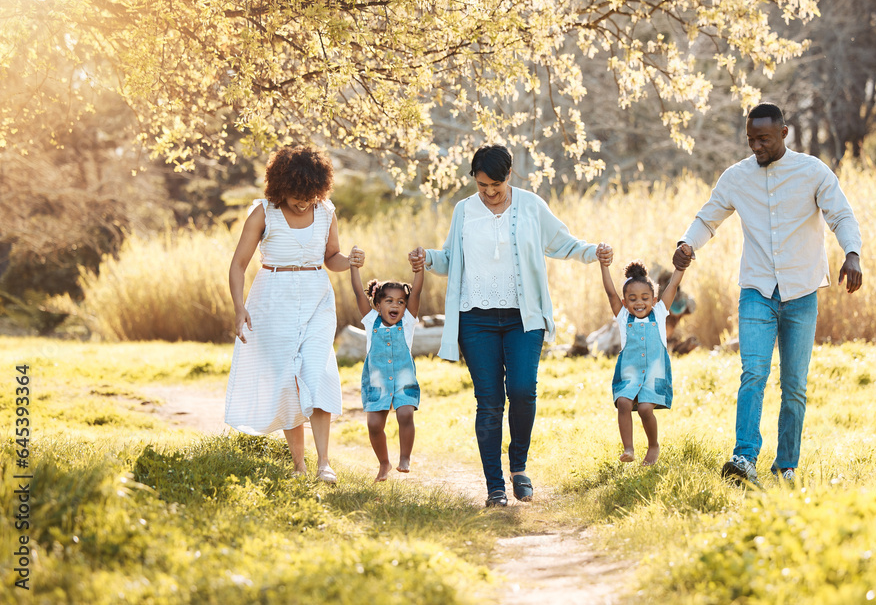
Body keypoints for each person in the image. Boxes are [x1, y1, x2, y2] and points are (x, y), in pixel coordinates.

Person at [409, 144, 612, 507]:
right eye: (482, 185)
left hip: (524, 317)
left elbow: (562, 243)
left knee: (521, 390)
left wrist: (594, 251)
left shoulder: (531, 206)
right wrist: (427, 258)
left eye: (495, 187)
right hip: (476, 319)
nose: (488, 193)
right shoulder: (464, 211)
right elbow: (451, 259)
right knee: (489, 402)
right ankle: (495, 487)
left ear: (509, 177)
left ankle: (519, 466)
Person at [673, 102, 863, 486]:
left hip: (802, 292)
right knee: (753, 374)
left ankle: (786, 465)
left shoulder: (812, 172)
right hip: (757, 289)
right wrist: (687, 243)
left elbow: (841, 215)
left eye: (763, 139)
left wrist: (852, 254)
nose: (756, 147)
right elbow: (707, 218)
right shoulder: (736, 177)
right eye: (750, 140)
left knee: (794, 384)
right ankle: (743, 460)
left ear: (783, 133)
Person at [225, 145, 349, 484]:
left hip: (316, 301)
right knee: (287, 381)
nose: (303, 203)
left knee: (317, 372)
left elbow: (332, 257)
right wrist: (240, 308)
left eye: (310, 196)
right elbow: (237, 266)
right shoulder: (263, 213)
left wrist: (349, 261)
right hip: (272, 300)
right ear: (280, 187)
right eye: (296, 196)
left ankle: (324, 463)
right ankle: (299, 465)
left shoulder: (325, 212)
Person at [599, 252, 687, 466]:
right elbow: (610, 293)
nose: (639, 303)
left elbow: (672, 287)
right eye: (633, 299)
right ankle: (628, 448)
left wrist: (681, 268)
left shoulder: (659, 313)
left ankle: (653, 445)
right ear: (625, 302)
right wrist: (604, 266)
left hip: (654, 374)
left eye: (645, 298)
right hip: (629, 373)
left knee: (646, 409)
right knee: (623, 403)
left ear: (654, 300)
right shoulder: (623, 317)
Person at [348, 245, 424, 482]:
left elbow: (418, 292)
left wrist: (419, 269)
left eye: (401, 302)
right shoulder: (371, 322)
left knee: (404, 416)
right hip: (377, 381)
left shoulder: (409, 322)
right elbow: (359, 295)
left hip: (403, 380)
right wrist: (354, 268)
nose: (395, 305)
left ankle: (405, 457)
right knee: (373, 424)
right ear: (378, 305)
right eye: (389, 301)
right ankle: (384, 464)